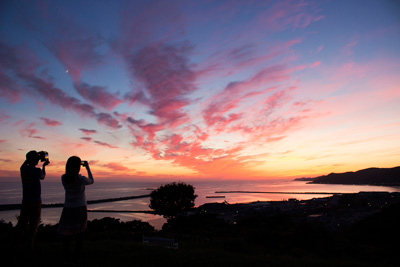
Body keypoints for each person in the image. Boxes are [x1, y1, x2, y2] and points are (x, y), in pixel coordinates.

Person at [58, 156, 93, 264]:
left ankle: (66, 257)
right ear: (78, 167)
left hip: (68, 208)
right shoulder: (80, 179)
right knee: (79, 235)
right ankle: (77, 257)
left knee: (66, 235)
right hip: (80, 208)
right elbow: (91, 181)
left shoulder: (63, 178)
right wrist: (87, 168)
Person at [16, 150, 50, 251]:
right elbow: (43, 177)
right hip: (35, 201)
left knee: (21, 223)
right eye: (37, 158)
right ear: (35, 159)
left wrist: (35, 155)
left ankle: (15, 243)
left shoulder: (23, 169)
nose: (38, 160)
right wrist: (44, 166)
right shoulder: (37, 171)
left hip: (25, 200)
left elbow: (26, 162)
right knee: (33, 225)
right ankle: (29, 246)